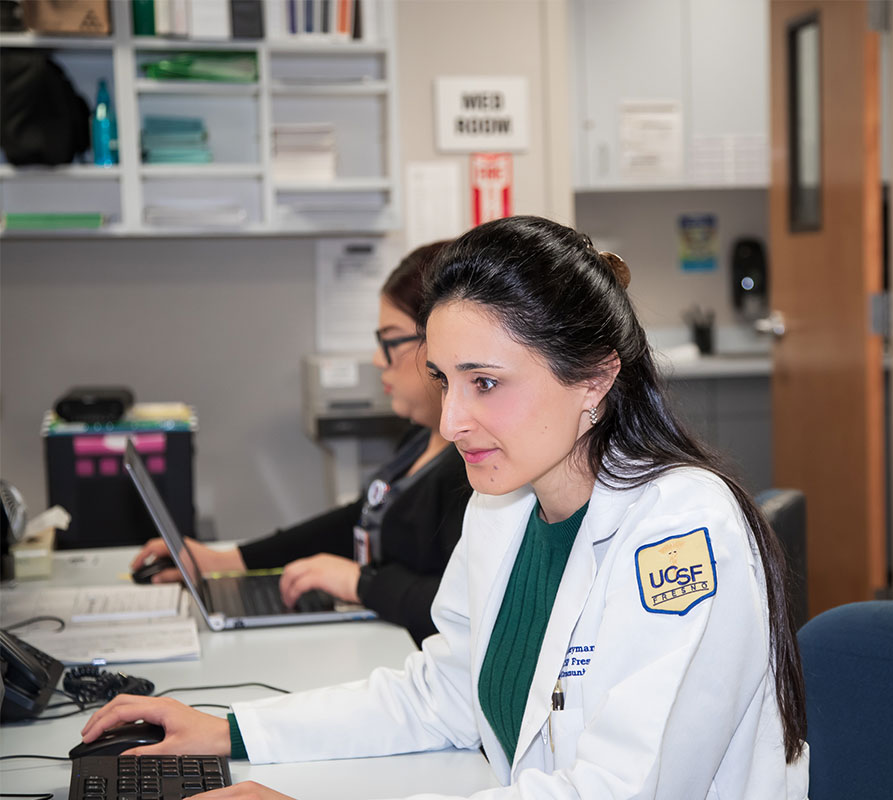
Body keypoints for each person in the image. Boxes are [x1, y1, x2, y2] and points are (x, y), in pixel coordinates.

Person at [83, 216, 810, 799]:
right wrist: (230, 731)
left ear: (593, 378)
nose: (453, 420)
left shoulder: (681, 527)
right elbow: (441, 697)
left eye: (485, 383)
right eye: (443, 380)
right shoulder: (503, 508)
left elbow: (622, 788)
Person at [128, 241, 470, 643]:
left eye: (390, 341)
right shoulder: (420, 437)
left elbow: (462, 607)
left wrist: (360, 583)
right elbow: (357, 519)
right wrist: (229, 560)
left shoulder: (468, 466)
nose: (378, 359)